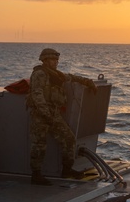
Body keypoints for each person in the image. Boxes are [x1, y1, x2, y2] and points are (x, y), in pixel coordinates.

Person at [27, 47, 97, 185]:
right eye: (53, 59)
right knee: (39, 145)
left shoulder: (56, 75)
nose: (55, 62)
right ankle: (36, 175)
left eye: (56, 60)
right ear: (45, 60)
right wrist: (45, 113)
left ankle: (67, 170)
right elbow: (37, 94)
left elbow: (71, 77)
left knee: (69, 139)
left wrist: (87, 81)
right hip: (41, 115)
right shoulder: (39, 74)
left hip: (53, 113)